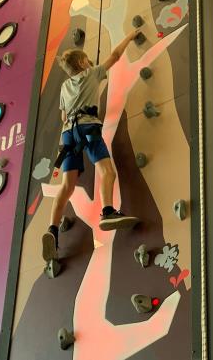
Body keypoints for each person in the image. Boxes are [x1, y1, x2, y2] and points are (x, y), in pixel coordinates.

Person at [42, 29, 142, 261]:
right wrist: (129, 36)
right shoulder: (92, 74)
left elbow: (63, 116)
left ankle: (52, 230)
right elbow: (116, 56)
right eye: (87, 59)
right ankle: (107, 212)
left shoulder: (64, 87)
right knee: (106, 171)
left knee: (67, 186)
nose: (91, 62)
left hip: (68, 136)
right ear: (82, 62)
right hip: (88, 128)